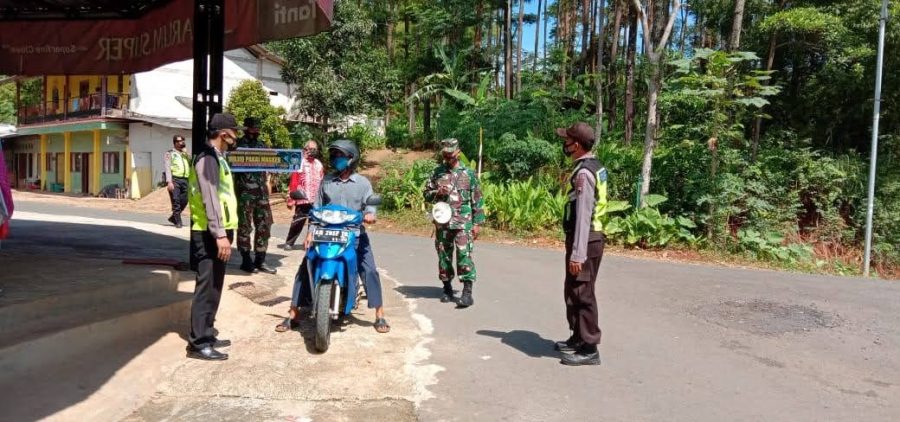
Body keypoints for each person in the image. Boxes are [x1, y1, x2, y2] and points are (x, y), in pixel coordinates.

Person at [276, 139, 390, 334]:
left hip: (354, 235)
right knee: (305, 268)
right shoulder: (326, 181)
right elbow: (317, 209)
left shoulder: (362, 183)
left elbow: (370, 204)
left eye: (341, 156)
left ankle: (379, 314)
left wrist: (370, 214)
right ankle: (294, 313)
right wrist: (310, 233)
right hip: (325, 234)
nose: (336, 159)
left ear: (351, 158)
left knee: (369, 270)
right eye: (334, 155)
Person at [186, 113, 243, 361]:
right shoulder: (208, 159)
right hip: (209, 233)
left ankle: (207, 334)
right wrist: (220, 234)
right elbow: (210, 199)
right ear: (224, 134)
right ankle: (198, 344)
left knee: (215, 287)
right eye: (234, 131)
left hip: (217, 231)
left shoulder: (218, 158)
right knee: (206, 288)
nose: (236, 136)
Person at [554, 122, 608, 367]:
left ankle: (590, 347)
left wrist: (578, 254)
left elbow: (584, 215)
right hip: (587, 239)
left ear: (576, 145)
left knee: (583, 293)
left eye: (567, 141)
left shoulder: (585, 174)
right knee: (573, 290)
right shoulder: (594, 166)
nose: (564, 144)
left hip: (586, 240)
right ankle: (577, 338)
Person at [423, 138, 484, 308]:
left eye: (450, 155)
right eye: (445, 155)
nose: (448, 158)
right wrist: (437, 191)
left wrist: (477, 223)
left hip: (463, 222)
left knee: (465, 256)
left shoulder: (468, 174)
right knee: (444, 256)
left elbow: (477, 200)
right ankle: (447, 288)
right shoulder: (437, 173)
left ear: (457, 153)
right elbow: (426, 195)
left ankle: (467, 292)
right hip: (443, 223)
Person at [235, 117, 277, 274]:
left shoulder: (262, 146)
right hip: (245, 193)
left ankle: (260, 260)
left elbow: (270, 166)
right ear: (246, 128)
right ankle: (246, 260)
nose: (256, 131)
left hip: (261, 193)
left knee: (264, 225)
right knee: (245, 226)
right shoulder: (237, 146)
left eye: (258, 128)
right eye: (253, 128)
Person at [281, 140, 324, 250]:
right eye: (311, 149)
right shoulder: (300, 162)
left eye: (315, 149)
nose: (313, 151)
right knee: (298, 221)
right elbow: (294, 181)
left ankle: (310, 243)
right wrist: (291, 198)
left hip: (316, 199)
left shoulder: (319, 164)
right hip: (302, 198)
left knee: (314, 222)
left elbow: (322, 180)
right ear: (305, 149)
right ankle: (289, 242)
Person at [164, 135, 190, 228]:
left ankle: (173, 217)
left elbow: (191, 164)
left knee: (185, 200)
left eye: (183, 140)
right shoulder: (170, 153)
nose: (182, 142)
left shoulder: (185, 154)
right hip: (175, 179)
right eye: (179, 141)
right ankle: (178, 221)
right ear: (175, 143)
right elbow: (167, 167)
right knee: (176, 200)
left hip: (185, 179)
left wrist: (187, 154)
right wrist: (169, 181)